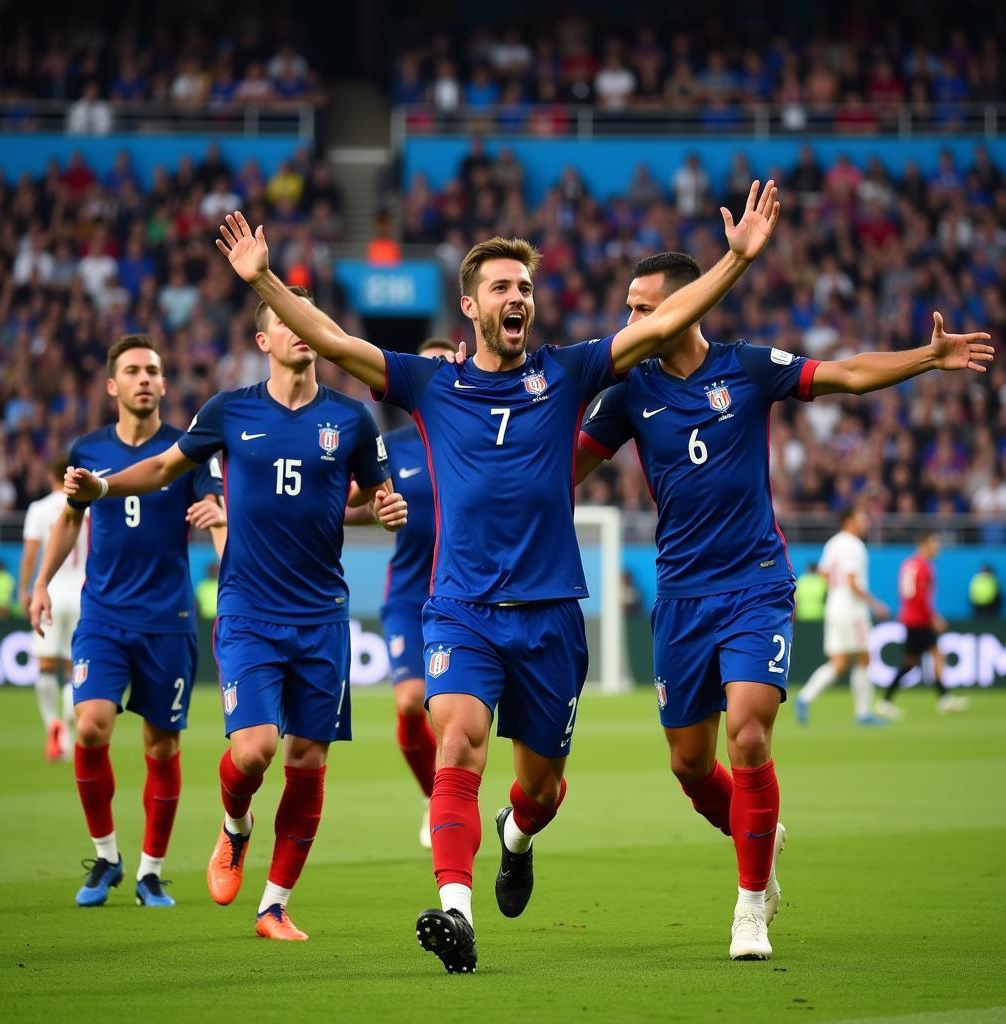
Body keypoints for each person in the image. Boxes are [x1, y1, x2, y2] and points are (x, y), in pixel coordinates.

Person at [212, 180, 781, 972]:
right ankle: (456, 912)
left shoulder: (571, 372)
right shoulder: (429, 384)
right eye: (502, 287)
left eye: (525, 286)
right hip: (461, 610)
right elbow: (337, 343)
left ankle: (516, 838)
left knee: (539, 791)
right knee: (458, 744)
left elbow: (670, 323)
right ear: (471, 308)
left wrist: (736, 262)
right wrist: (264, 282)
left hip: (550, 617)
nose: (518, 297)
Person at [577, 251, 993, 960]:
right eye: (629, 308)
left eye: (643, 308)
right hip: (680, 595)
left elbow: (848, 375)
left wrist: (925, 359)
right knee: (688, 765)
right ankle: (761, 839)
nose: (630, 322)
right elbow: (563, 471)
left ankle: (749, 907)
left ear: (688, 306)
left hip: (756, 584)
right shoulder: (626, 391)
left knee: (748, 733)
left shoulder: (746, 367)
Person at [63, 288, 407, 942]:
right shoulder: (230, 411)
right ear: (263, 341)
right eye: (287, 323)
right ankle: (234, 827)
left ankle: (273, 905)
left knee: (307, 759)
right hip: (249, 611)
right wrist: (104, 486)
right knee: (254, 752)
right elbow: (165, 466)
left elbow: (364, 495)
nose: (302, 332)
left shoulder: (354, 419)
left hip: (324, 616)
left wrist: (381, 510)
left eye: (311, 322)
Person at [29, 335, 227, 909]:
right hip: (104, 617)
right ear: (113, 386)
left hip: (169, 620)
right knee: (90, 724)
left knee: (161, 745)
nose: (145, 379)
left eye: (153, 371)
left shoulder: (188, 451)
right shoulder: (87, 449)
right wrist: (41, 581)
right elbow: (69, 520)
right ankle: (107, 857)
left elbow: (215, 511)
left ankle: (150, 872)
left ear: (165, 385)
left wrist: (220, 529)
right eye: (133, 371)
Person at [345, 338, 461, 850]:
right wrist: (373, 508)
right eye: (426, 364)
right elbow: (350, 501)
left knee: (451, 715)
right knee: (412, 701)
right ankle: (434, 797)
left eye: (444, 363)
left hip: (462, 594)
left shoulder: (473, 434)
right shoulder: (391, 447)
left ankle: (454, 793)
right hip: (410, 594)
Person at [19, 455, 87, 761]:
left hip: (51, 593)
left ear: (51, 477)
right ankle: (68, 736)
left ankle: (53, 727)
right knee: (76, 671)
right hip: (85, 596)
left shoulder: (40, 509)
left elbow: (31, 555)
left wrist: (26, 588)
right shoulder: (89, 506)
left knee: (46, 668)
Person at [795, 506, 889, 725]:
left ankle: (804, 697)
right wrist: (875, 605)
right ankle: (864, 713)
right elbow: (853, 581)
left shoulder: (833, 543)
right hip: (852, 609)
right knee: (864, 658)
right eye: (861, 517)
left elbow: (824, 573)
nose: (866, 521)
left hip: (834, 606)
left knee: (839, 662)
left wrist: (836, 590)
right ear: (848, 521)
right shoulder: (854, 546)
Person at [876, 533, 970, 717]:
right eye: (934, 543)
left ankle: (887, 700)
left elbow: (907, 593)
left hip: (910, 617)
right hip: (918, 619)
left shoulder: (910, 564)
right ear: (924, 544)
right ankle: (944, 699)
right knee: (935, 655)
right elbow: (919, 597)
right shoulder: (923, 567)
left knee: (911, 662)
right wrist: (933, 617)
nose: (937, 547)